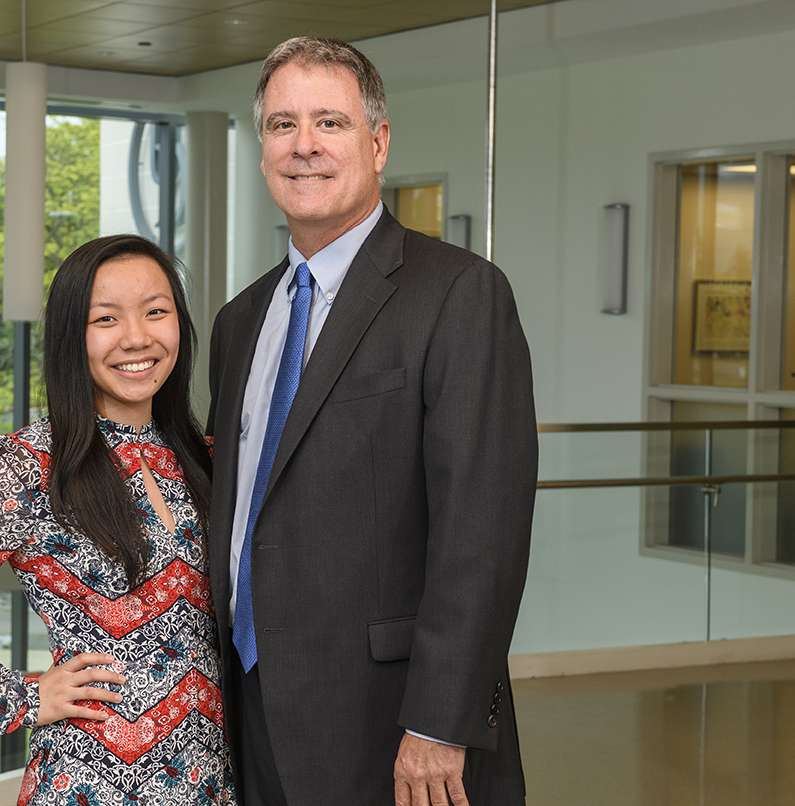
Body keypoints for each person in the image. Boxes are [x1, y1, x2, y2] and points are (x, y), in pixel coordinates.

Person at [205, 37, 538, 806]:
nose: (304, 146)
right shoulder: (240, 321)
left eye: (330, 122)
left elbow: (482, 530)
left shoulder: (458, 294)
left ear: (378, 141)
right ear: (262, 152)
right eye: (282, 125)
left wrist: (440, 723)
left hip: (392, 724)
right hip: (247, 708)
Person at [0, 235, 235, 805]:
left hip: (212, 777)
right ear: (71, 338)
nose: (137, 337)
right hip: (90, 782)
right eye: (105, 319)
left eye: (156, 312)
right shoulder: (29, 467)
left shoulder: (207, 457)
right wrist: (22, 696)